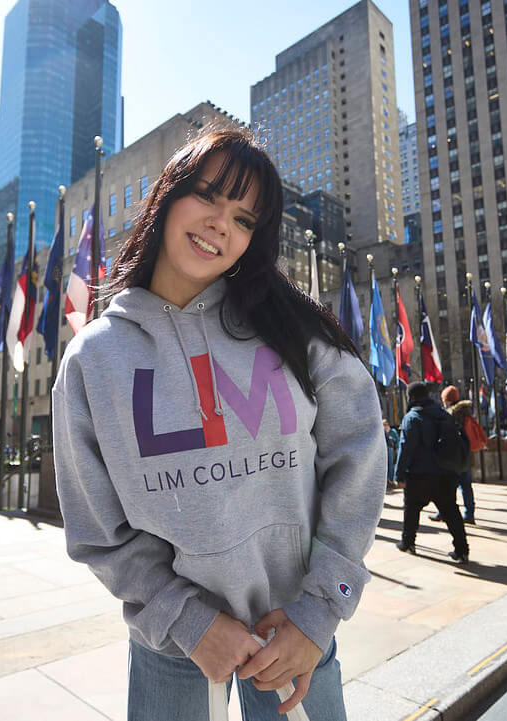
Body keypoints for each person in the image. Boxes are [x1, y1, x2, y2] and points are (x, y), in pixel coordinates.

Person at [51, 127, 385, 720]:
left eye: (244, 218)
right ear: (167, 197)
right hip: (174, 642)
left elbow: (358, 456)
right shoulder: (93, 360)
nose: (220, 224)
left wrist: (319, 612)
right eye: (207, 196)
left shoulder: (293, 333)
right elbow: (96, 529)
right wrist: (186, 619)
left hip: (295, 633)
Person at [393, 382, 470, 563]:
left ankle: (408, 542)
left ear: (410, 397)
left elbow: (406, 448)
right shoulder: (444, 415)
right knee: (451, 511)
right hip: (445, 473)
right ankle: (462, 549)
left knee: (411, 508)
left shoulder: (412, 418)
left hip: (419, 474)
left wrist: (399, 474)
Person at [437, 384, 477, 523]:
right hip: (465, 454)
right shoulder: (466, 412)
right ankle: (469, 513)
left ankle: (443, 512)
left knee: (446, 485)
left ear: (446, 399)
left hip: (452, 455)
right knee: (466, 486)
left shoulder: (449, 414)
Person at [384, 418, 401, 490]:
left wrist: (397, 449)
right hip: (386, 449)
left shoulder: (393, 431)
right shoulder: (383, 432)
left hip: (391, 449)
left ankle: (391, 480)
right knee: (387, 465)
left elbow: (397, 440)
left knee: (391, 464)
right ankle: (388, 481)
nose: (385, 426)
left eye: (386, 424)